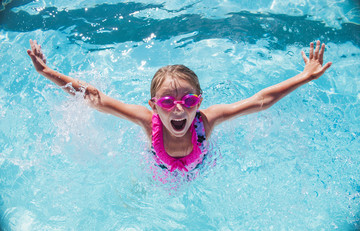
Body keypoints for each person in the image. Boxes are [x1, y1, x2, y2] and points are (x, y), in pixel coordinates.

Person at [27, 39, 332, 172]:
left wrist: (304, 77)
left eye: (188, 100)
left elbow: (260, 100)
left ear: (199, 102)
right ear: (154, 105)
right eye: (167, 101)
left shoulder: (206, 121)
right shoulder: (149, 122)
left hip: (201, 168)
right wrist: (47, 72)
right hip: (157, 170)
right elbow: (95, 97)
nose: (178, 109)